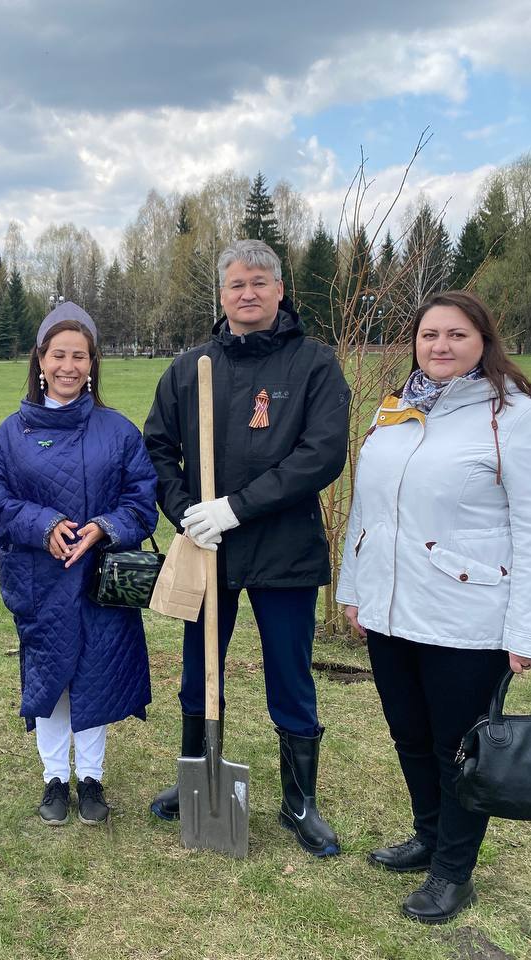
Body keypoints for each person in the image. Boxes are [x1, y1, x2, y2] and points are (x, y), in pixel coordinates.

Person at [337, 290, 531, 923]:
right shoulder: (396, 412)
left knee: (456, 748)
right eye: (429, 335)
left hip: (466, 617)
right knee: (409, 735)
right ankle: (429, 835)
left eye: (456, 335)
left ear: (483, 341)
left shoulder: (518, 420)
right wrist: (354, 591)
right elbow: (367, 513)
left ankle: (453, 871)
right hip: (391, 612)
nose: (440, 347)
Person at [143, 238, 349, 857]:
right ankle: (196, 776)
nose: (248, 293)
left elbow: (322, 454)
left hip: (284, 550)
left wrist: (236, 507)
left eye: (260, 282)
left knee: (290, 675)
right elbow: (156, 448)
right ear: (222, 294)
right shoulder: (190, 368)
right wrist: (186, 513)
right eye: (236, 284)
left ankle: (299, 800)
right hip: (209, 554)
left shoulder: (313, 364)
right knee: (196, 671)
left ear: (280, 290)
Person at [0, 303, 157, 826]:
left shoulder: (118, 432)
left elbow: (142, 500)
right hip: (40, 581)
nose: (69, 366)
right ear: (40, 360)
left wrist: (104, 525)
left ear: (93, 363)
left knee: (95, 677)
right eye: (59, 355)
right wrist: (41, 525)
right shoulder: (12, 434)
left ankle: (92, 778)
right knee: (51, 681)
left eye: (80, 356)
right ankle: (55, 778)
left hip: (101, 584)